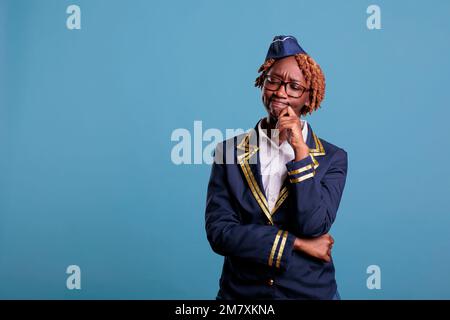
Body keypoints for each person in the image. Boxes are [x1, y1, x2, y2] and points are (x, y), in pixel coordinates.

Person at [205, 35, 348, 300]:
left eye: (294, 86)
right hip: (241, 295)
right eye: (273, 81)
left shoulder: (333, 158)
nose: (281, 92)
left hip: (309, 294)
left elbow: (313, 226)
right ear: (262, 84)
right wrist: (297, 244)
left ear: (309, 97)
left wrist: (301, 152)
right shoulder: (228, 152)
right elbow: (220, 233)